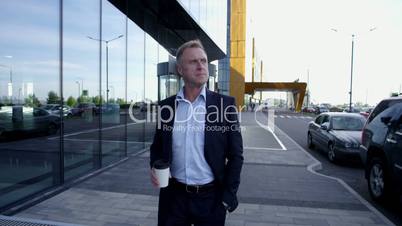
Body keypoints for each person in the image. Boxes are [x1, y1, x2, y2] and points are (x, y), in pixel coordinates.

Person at [150, 39, 244, 226]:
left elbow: (236, 156)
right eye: (193, 62)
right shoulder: (166, 106)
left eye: (203, 61)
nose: (201, 66)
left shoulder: (225, 105)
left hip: (211, 200)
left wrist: (227, 197)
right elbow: (158, 146)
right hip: (173, 199)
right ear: (180, 70)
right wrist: (154, 165)